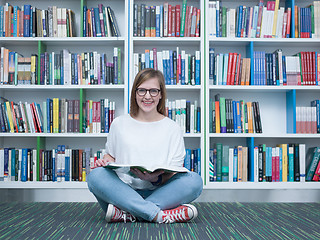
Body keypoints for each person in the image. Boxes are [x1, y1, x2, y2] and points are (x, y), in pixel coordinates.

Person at [87, 68, 203, 223]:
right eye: (142, 90)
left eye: (153, 91)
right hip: (122, 193)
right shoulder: (119, 123)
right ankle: (158, 215)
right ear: (135, 93)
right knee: (95, 175)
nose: (147, 96)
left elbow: (174, 173)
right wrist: (104, 162)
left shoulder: (172, 128)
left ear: (161, 94)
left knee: (194, 181)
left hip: (160, 193)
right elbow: (110, 156)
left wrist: (154, 179)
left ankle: (130, 214)